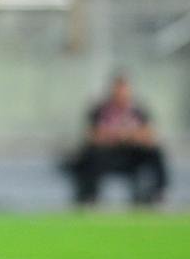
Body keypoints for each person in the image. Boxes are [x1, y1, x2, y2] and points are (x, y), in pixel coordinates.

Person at [65, 74, 168, 205]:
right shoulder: (99, 110)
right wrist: (115, 135)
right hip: (107, 156)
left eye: (124, 90)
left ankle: (157, 193)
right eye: (118, 90)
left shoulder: (138, 111)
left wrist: (128, 135)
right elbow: (92, 135)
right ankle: (89, 196)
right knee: (89, 155)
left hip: (132, 156)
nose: (121, 94)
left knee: (155, 152)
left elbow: (149, 135)